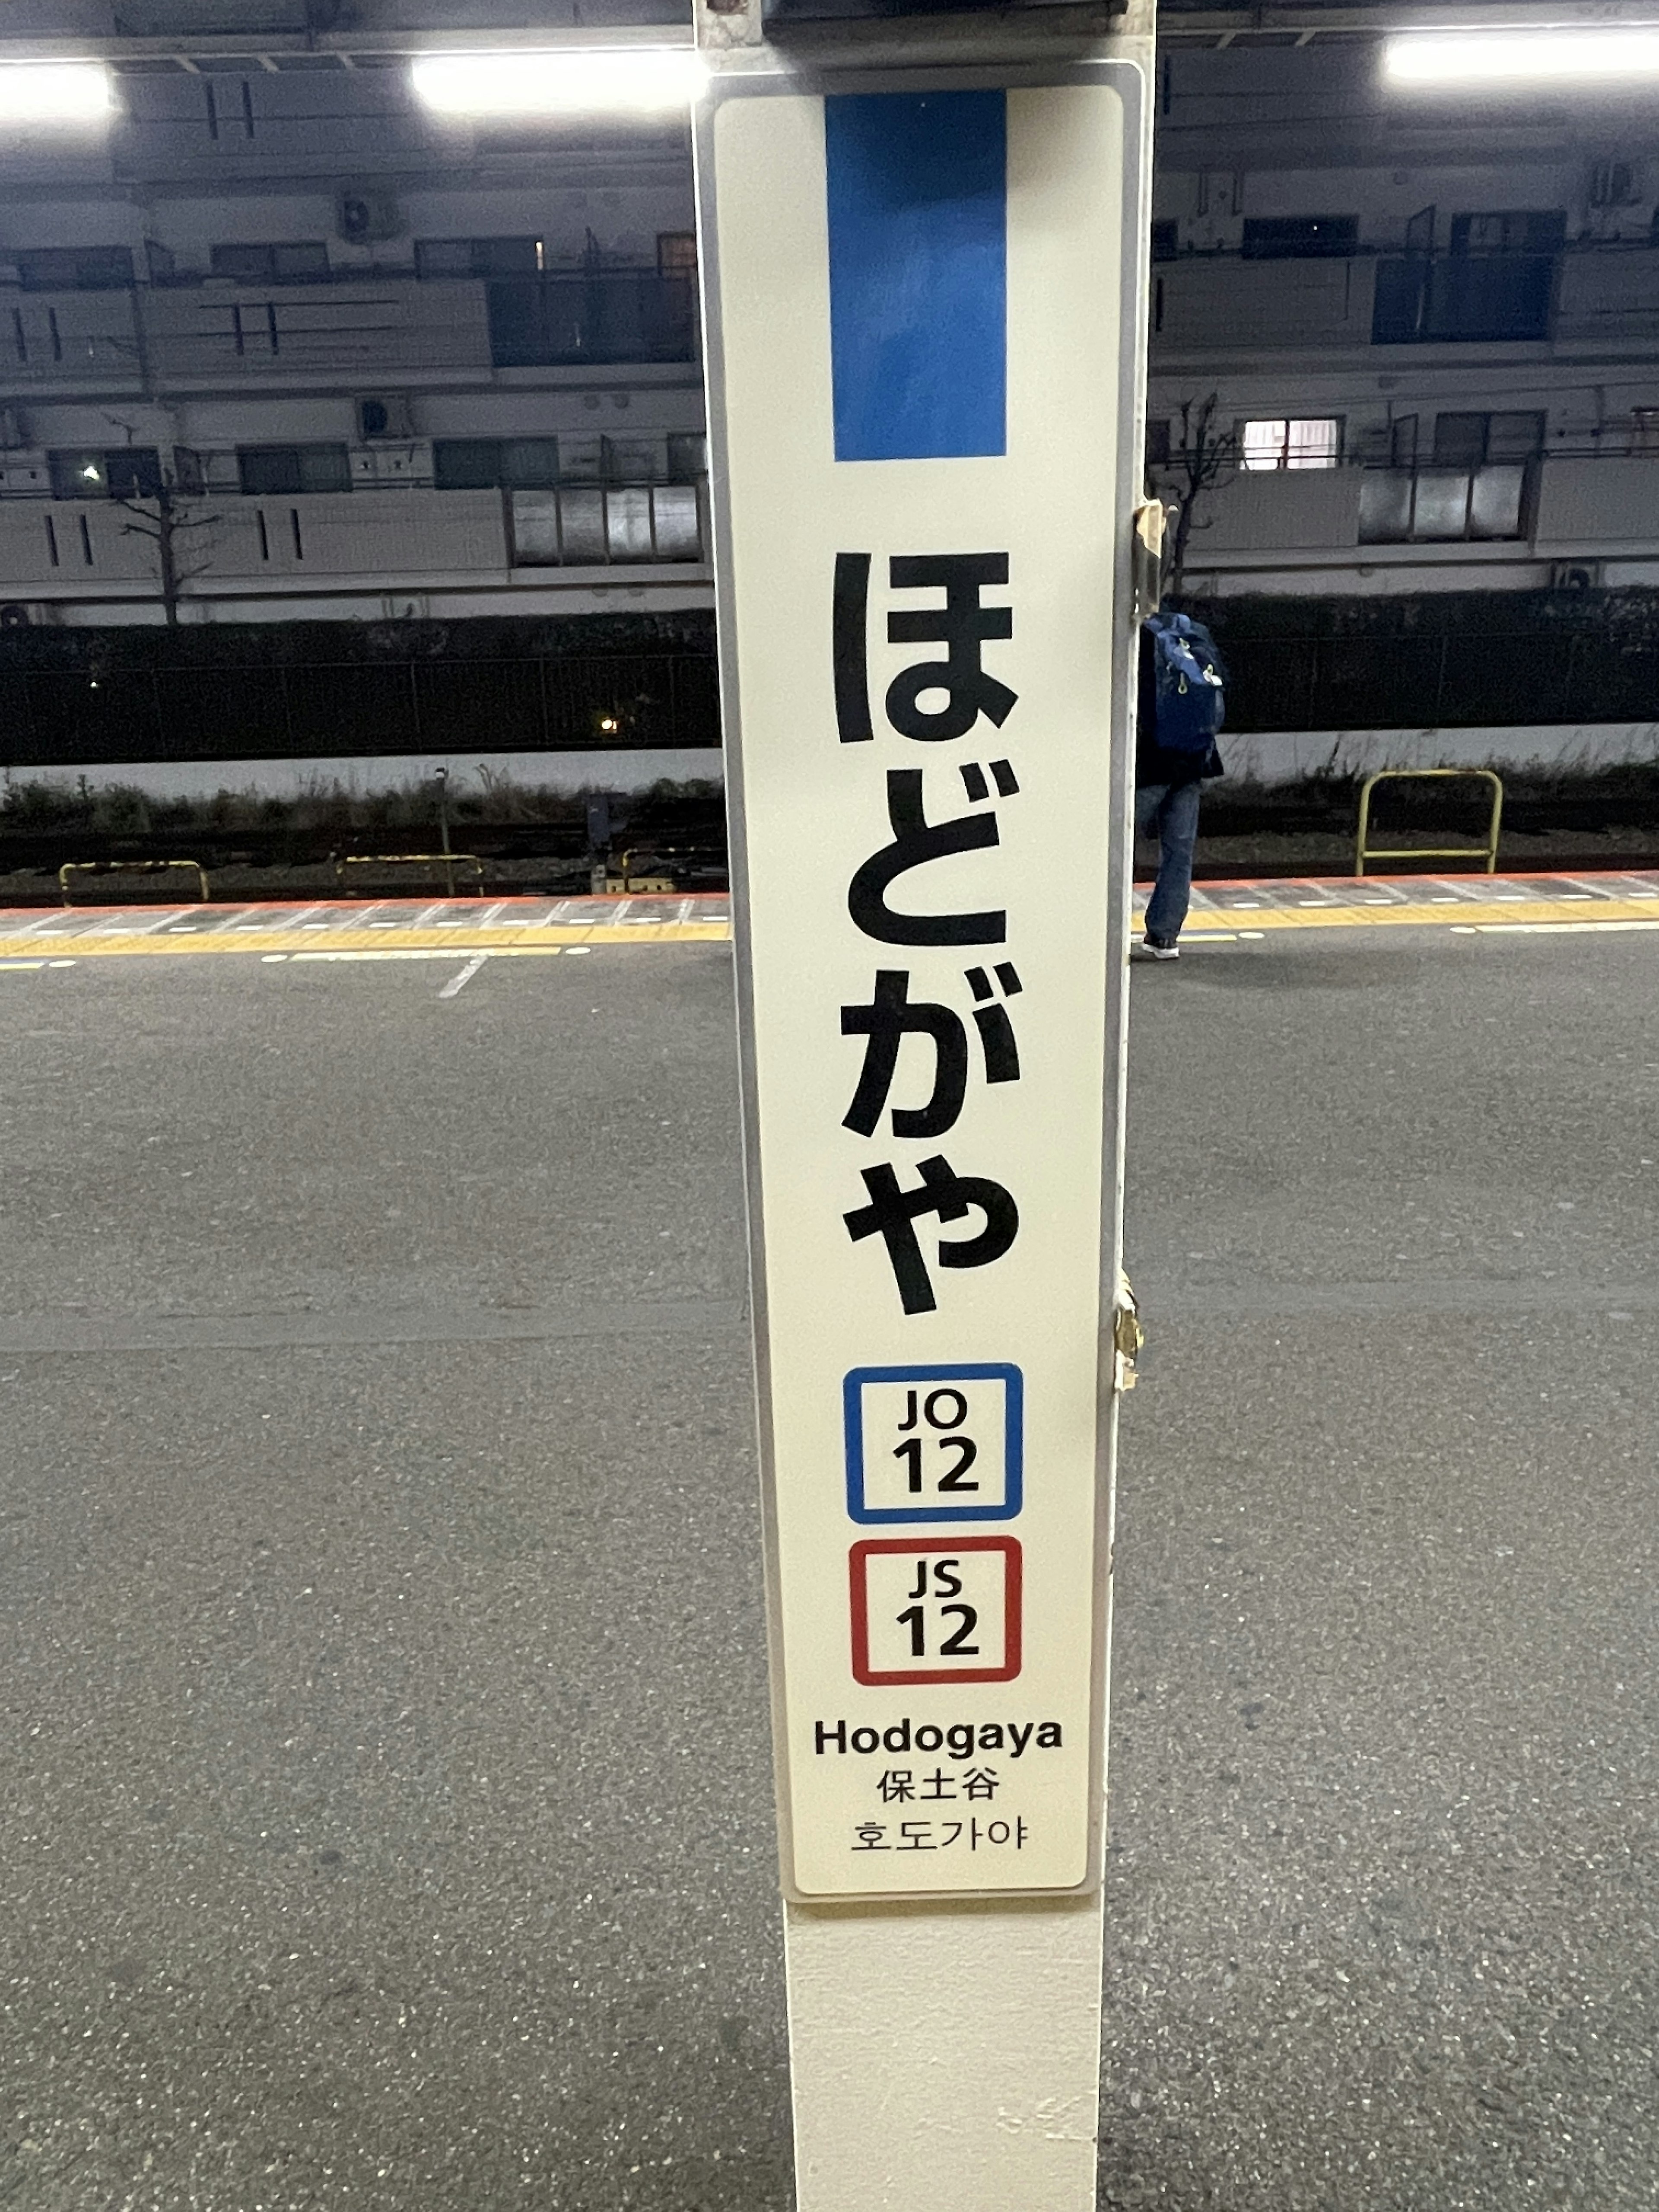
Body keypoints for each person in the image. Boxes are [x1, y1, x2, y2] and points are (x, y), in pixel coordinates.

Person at [1134, 613, 1226, 960]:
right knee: (1179, 852)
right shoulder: (1192, 632)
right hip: (1194, 760)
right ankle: (1164, 937)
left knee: (1117, 849)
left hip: (1150, 763)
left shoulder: (1136, 637)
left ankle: (1103, 932)